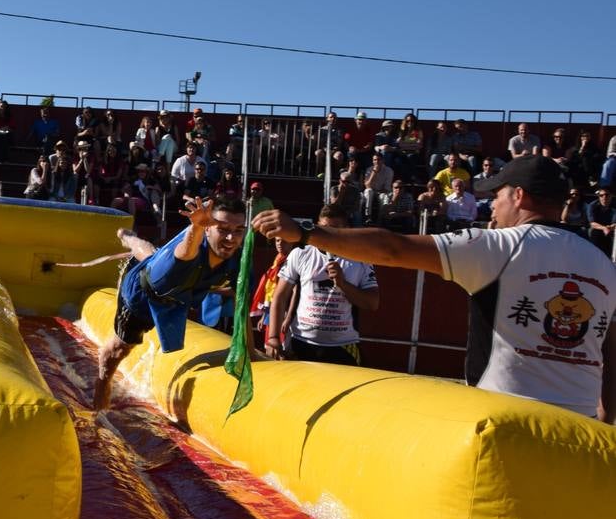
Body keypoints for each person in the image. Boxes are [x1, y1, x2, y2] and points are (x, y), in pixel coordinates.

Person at [254, 155, 616, 422]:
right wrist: (608, 414)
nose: (494, 205)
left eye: (499, 195)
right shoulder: (602, 262)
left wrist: (305, 234)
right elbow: (610, 346)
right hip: (580, 425)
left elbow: (393, 249)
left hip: (507, 418)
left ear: (518, 196)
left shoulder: (502, 245)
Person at [94, 196, 248, 409]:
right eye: (222, 229)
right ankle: (101, 386)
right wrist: (196, 227)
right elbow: (188, 249)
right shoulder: (190, 250)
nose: (231, 237)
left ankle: (130, 238)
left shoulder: (236, 258)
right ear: (209, 230)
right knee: (119, 350)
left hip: (175, 285)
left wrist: (248, 348)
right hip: (142, 293)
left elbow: (243, 299)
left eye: (239, 229)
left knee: (151, 254)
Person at [265, 205, 379, 364]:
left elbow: (372, 303)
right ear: (316, 226)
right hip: (301, 342)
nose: (329, 234)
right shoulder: (300, 253)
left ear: (346, 230)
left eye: (336, 229)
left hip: (343, 346)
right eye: (325, 228)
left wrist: (343, 284)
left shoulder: (361, 258)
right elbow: (280, 295)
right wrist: (274, 337)